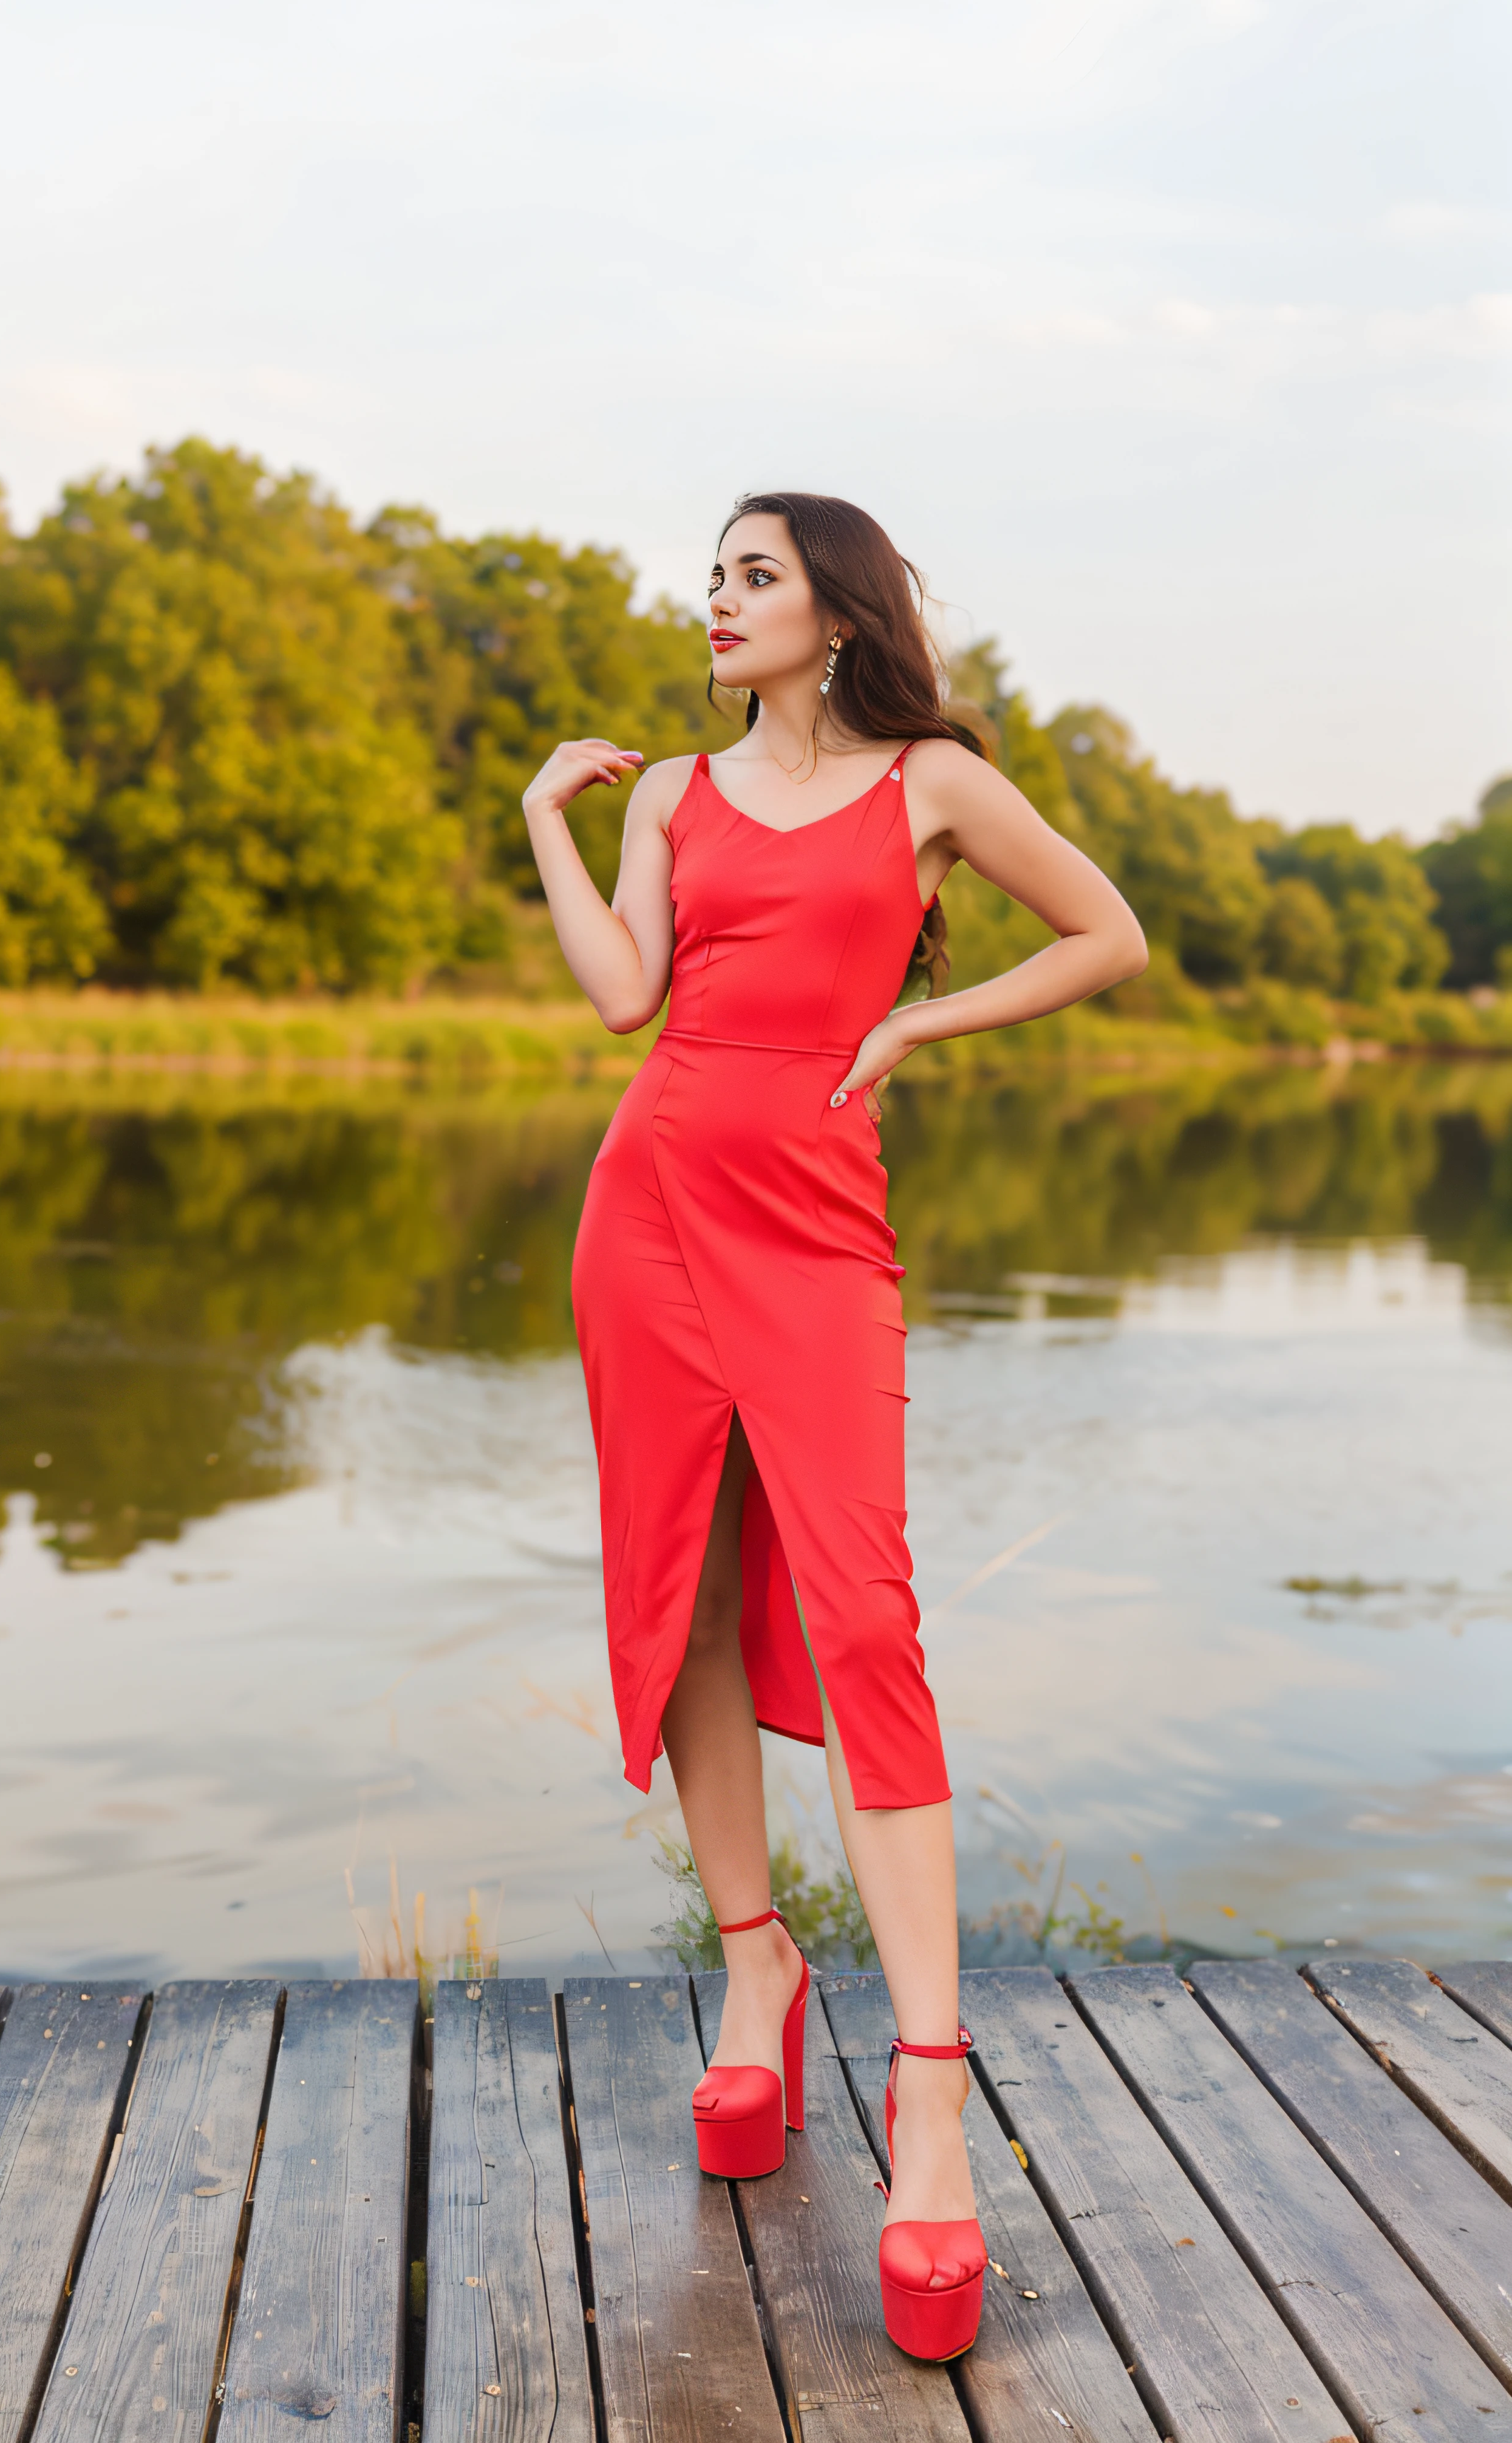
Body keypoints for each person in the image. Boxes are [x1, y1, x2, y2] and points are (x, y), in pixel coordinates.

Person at [522, 490, 1147, 2361]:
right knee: (685, 1596)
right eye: (712, 576)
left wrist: (914, 1033)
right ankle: (753, 1971)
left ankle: (933, 2092)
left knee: (865, 1614)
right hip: (645, 1218)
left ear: (836, 608)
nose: (715, 602)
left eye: (753, 576)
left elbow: (1105, 937)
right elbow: (631, 996)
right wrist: (547, 818)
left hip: (814, 1228)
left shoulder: (929, 784)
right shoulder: (667, 799)